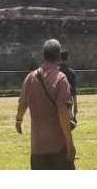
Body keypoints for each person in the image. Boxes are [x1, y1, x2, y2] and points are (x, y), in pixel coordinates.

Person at [15, 39, 76, 170]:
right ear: (59, 56)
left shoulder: (30, 78)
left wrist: (19, 120)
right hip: (58, 145)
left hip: (38, 146)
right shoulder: (61, 79)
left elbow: (22, 103)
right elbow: (62, 112)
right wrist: (70, 143)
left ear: (43, 55)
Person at [59, 49, 78, 119]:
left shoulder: (55, 72)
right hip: (68, 100)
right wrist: (76, 105)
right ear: (68, 58)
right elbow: (73, 91)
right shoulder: (71, 72)